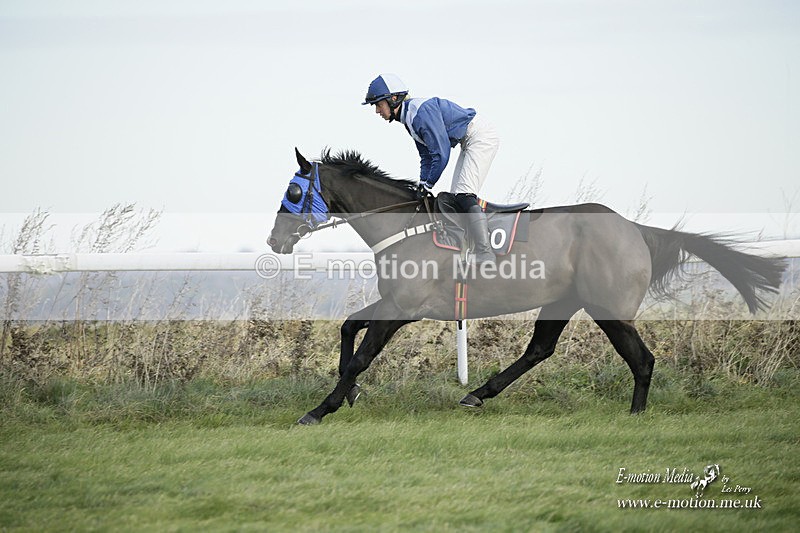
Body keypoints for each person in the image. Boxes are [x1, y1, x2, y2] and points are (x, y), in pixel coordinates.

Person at [363, 73, 500, 263]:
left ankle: (485, 253)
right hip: (468, 139)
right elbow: (426, 157)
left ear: (393, 99)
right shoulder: (409, 118)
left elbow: (441, 153)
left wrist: (428, 184)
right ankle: (469, 247)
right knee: (457, 197)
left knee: (464, 195)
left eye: (378, 104)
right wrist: (422, 183)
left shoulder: (419, 113)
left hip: (479, 135)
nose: (377, 111)